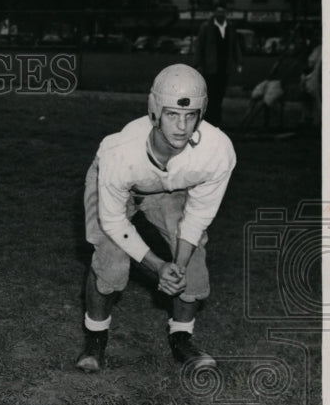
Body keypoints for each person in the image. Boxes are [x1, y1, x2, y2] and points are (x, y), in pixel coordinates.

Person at [76, 64, 236, 373]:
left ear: (201, 115)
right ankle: (95, 338)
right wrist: (157, 265)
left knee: (193, 262)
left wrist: (177, 262)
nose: (181, 126)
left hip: (167, 185)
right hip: (118, 183)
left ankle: (182, 338)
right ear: (154, 113)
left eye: (190, 116)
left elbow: (200, 213)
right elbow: (113, 222)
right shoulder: (118, 151)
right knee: (111, 261)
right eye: (172, 114)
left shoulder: (217, 151)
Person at [194, 6, 243, 128]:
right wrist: (198, 64)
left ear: (225, 14)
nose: (220, 15)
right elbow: (200, 46)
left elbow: (234, 45)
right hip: (210, 67)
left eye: (223, 13)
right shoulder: (206, 27)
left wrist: (238, 61)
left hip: (224, 66)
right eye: (218, 13)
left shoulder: (230, 27)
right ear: (214, 13)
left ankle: (217, 118)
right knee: (210, 93)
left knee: (220, 92)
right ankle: (209, 118)